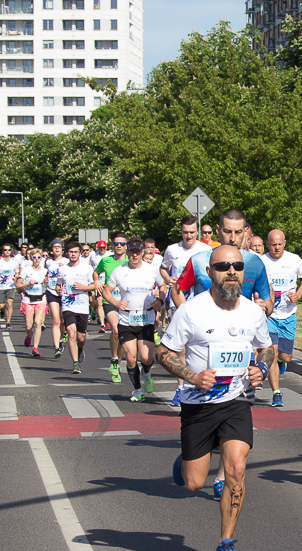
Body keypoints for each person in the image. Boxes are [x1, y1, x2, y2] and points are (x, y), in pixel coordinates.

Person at [157, 245, 275, 551]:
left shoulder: (252, 312)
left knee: (236, 469)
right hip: (198, 404)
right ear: (209, 273)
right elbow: (163, 353)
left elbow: (266, 348)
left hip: (237, 400)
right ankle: (188, 460)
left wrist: (260, 368)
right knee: (194, 483)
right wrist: (192, 377)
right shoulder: (191, 311)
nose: (231, 271)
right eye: (223, 266)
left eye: (237, 266)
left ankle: (226, 542)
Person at [173, 209, 273, 501]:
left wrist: (261, 310)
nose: (233, 237)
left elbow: (267, 300)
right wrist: (186, 318)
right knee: (193, 481)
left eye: (238, 232)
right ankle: (192, 460)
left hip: (239, 348)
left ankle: (222, 477)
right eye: (227, 231)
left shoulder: (254, 263)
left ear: (246, 233)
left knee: (235, 456)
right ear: (218, 231)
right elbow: (179, 289)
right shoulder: (200, 260)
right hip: (204, 348)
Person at [160, 215, 213, 405]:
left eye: (192, 232)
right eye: (185, 232)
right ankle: (181, 387)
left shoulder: (206, 250)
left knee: (202, 343)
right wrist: (168, 279)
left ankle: (204, 382)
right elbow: (163, 268)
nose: (188, 236)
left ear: (197, 232)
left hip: (201, 303)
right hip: (178, 303)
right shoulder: (172, 249)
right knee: (180, 347)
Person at [102, 237, 161, 400]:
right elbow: (106, 291)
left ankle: (146, 372)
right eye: (132, 252)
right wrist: (116, 303)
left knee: (146, 357)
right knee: (130, 357)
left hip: (146, 319)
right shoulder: (119, 271)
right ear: (127, 253)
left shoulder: (151, 270)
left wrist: (160, 300)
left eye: (137, 252)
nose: (135, 255)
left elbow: (163, 286)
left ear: (142, 252)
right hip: (126, 319)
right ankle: (137, 390)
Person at [260, 229, 302, 407]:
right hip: (269, 315)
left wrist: (298, 294)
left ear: (284, 243)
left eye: (279, 244)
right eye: (273, 244)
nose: (276, 248)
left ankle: (283, 362)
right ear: (267, 244)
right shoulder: (262, 261)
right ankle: (276, 393)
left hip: (288, 315)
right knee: (272, 353)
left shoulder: (294, 260)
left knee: (286, 356)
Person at [94, 234, 130, 383]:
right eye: (116, 244)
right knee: (115, 329)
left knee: (121, 333)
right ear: (112, 246)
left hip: (127, 302)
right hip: (110, 300)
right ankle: (114, 358)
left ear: (126, 246)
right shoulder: (106, 260)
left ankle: (117, 363)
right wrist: (97, 281)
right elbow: (96, 272)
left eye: (122, 243)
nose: (119, 246)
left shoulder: (131, 261)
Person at [57, 242, 97, 374]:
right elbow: (59, 284)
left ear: (79, 253)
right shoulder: (62, 269)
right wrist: (58, 289)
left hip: (82, 306)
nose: (73, 254)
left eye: (75, 252)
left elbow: (94, 285)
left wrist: (83, 287)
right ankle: (75, 363)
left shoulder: (87, 268)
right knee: (71, 333)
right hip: (68, 305)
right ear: (67, 253)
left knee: (81, 337)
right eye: (71, 252)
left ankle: (80, 349)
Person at [16, 249, 48, 357]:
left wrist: (46, 282)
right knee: (28, 326)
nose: (37, 259)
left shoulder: (45, 271)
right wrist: (28, 283)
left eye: (39, 257)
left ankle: (35, 348)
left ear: (41, 258)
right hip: (28, 300)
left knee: (38, 323)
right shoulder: (26, 270)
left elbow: (49, 284)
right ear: (31, 258)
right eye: (34, 257)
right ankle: (29, 335)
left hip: (40, 299)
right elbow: (18, 285)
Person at [45, 239, 69, 359]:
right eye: (55, 246)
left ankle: (61, 338)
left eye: (59, 246)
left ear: (62, 249)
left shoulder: (67, 261)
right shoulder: (48, 262)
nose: (57, 249)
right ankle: (56, 348)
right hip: (51, 292)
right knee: (56, 320)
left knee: (63, 321)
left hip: (64, 293)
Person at [0, 244, 20, 330]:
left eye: (9, 250)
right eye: (5, 250)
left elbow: (17, 272)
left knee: (9, 303)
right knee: (1, 306)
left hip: (10, 286)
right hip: (0, 286)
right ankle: (2, 311)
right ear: (2, 251)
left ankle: (8, 322)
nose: (7, 251)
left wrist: (16, 277)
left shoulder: (14, 263)